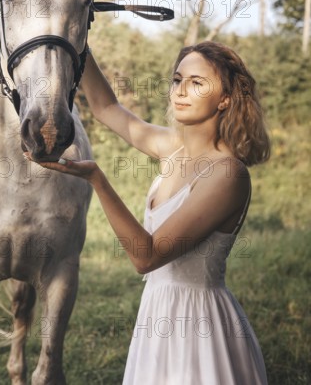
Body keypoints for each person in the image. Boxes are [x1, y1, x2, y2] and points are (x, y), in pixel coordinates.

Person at [25, 40, 270, 385]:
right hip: (157, 312)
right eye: (177, 80)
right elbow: (107, 107)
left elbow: (147, 256)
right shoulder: (175, 149)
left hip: (198, 325)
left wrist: (97, 179)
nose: (181, 91)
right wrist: (78, 41)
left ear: (226, 98)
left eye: (197, 83)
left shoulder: (227, 174)